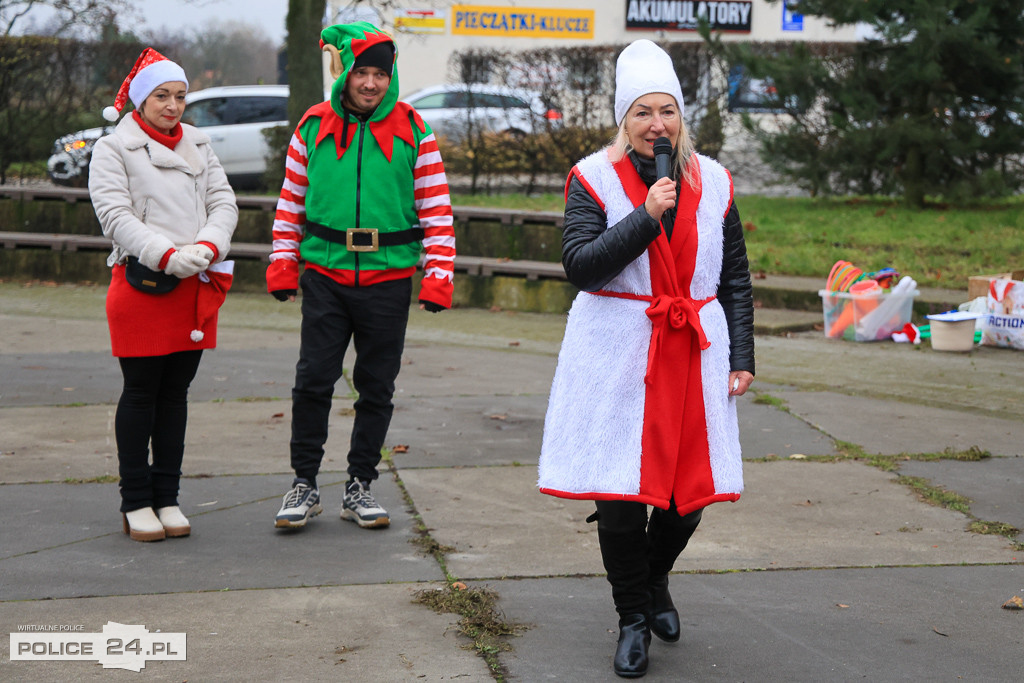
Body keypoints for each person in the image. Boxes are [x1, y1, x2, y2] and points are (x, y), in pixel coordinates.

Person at [537, 39, 755, 678]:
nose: (656, 124)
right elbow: (581, 266)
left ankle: (655, 576)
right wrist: (645, 215)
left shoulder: (714, 181)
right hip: (619, 354)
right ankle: (633, 616)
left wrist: (743, 353)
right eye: (642, 112)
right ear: (623, 119)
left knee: (690, 494)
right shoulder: (593, 177)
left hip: (694, 350)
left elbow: (734, 277)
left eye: (667, 111)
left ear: (681, 116)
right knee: (621, 496)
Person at [267, 22, 455, 530]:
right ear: (345, 73)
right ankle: (304, 483)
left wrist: (439, 274)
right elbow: (291, 202)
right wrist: (282, 261)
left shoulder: (415, 130)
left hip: (388, 280)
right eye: (361, 72)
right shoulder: (312, 127)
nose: (371, 83)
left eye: (380, 74)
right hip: (325, 275)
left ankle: (360, 485)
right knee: (313, 380)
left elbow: (436, 209)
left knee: (376, 386)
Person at [89, 48, 238, 542]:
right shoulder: (114, 148)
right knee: (141, 392)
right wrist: (166, 254)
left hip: (194, 281)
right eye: (161, 96)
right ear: (140, 99)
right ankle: (136, 501)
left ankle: (167, 497)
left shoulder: (200, 143)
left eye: (179, 96)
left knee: (175, 394)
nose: (173, 106)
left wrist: (209, 245)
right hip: (143, 284)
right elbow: (115, 215)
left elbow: (223, 202)